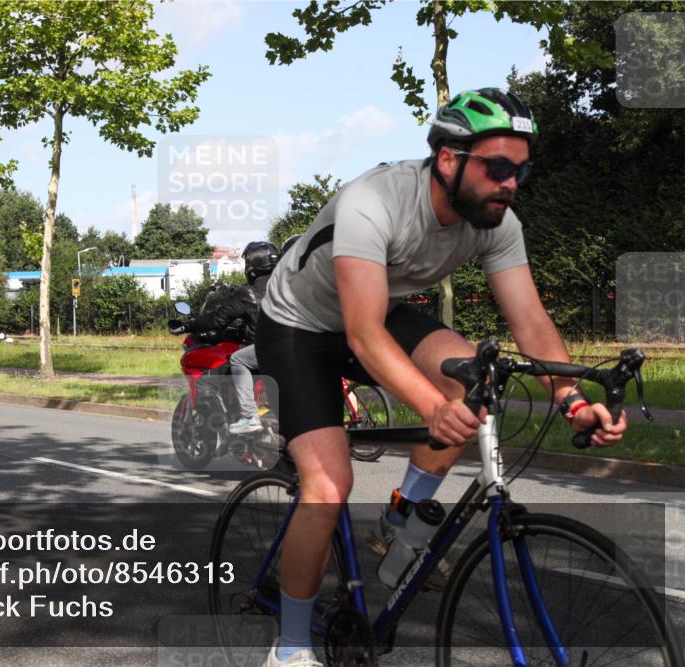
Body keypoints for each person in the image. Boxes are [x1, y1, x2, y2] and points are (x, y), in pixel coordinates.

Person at [254, 88, 627, 667]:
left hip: (377, 311)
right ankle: (292, 648)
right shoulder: (373, 202)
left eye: (521, 170)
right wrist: (432, 408)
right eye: (497, 168)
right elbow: (363, 334)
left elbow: (530, 321)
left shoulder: (497, 223)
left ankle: (399, 517)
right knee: (327, 489)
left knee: (476, 380)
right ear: (449, 159)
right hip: (299, 326)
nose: (511, 183)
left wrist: (573, 401)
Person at [169, 241, 280, 434]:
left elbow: (217, 319)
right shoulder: (286, 288)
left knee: (233, 362)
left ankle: (248, 417)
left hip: (265, 351)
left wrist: (188, 325)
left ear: (252, 266)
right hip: (294, 347)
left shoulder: (250, 293)